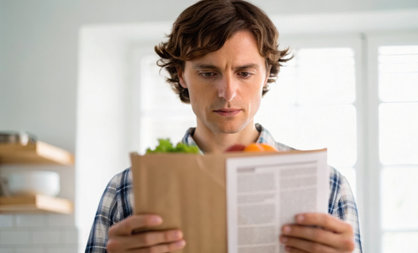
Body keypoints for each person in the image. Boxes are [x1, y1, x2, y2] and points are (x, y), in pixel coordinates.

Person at [85, 0, 362, 252]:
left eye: (244, 73)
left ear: (266, 74)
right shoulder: (126, 188)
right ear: (182, 74)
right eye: (208, 73)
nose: (227, 93)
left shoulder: (327, 185)